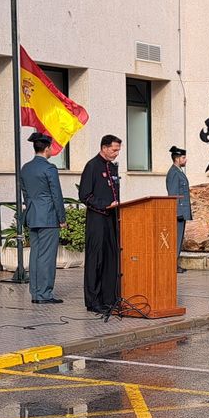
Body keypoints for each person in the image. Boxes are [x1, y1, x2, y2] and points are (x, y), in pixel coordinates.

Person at [17, 129, 67, 305]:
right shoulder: (49, 168)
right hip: (48, 217)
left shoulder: (26, 168)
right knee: (46, 257)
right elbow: (56, 195)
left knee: (35, 255)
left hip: (33, 216)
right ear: (47, 149)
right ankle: (44, 294)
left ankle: (36, 293)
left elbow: (25, 194)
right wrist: (62, 218)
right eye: (51, 148)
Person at [79, 134, 123, 314]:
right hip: (97, 219)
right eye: (114, 150)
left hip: (112, 219)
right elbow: (85, 195)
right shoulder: (92, 166)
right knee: (96, 259)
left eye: (118, 150)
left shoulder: (112, 167)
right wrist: (105, 205)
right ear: (104, 148)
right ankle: (93, 301)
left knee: (110, 259)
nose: (117, 153)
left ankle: (109, 298)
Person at [167, 145, 192, 271]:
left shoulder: (178, 171)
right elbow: (173, 195)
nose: (185, 160)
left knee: (179, 238)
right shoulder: (173, 173)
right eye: (183, 157)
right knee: (176, 239)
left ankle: (173, 263)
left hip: (182, 211)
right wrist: (177, 212)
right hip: (178, 212)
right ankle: (172, 264)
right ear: (177, 158)